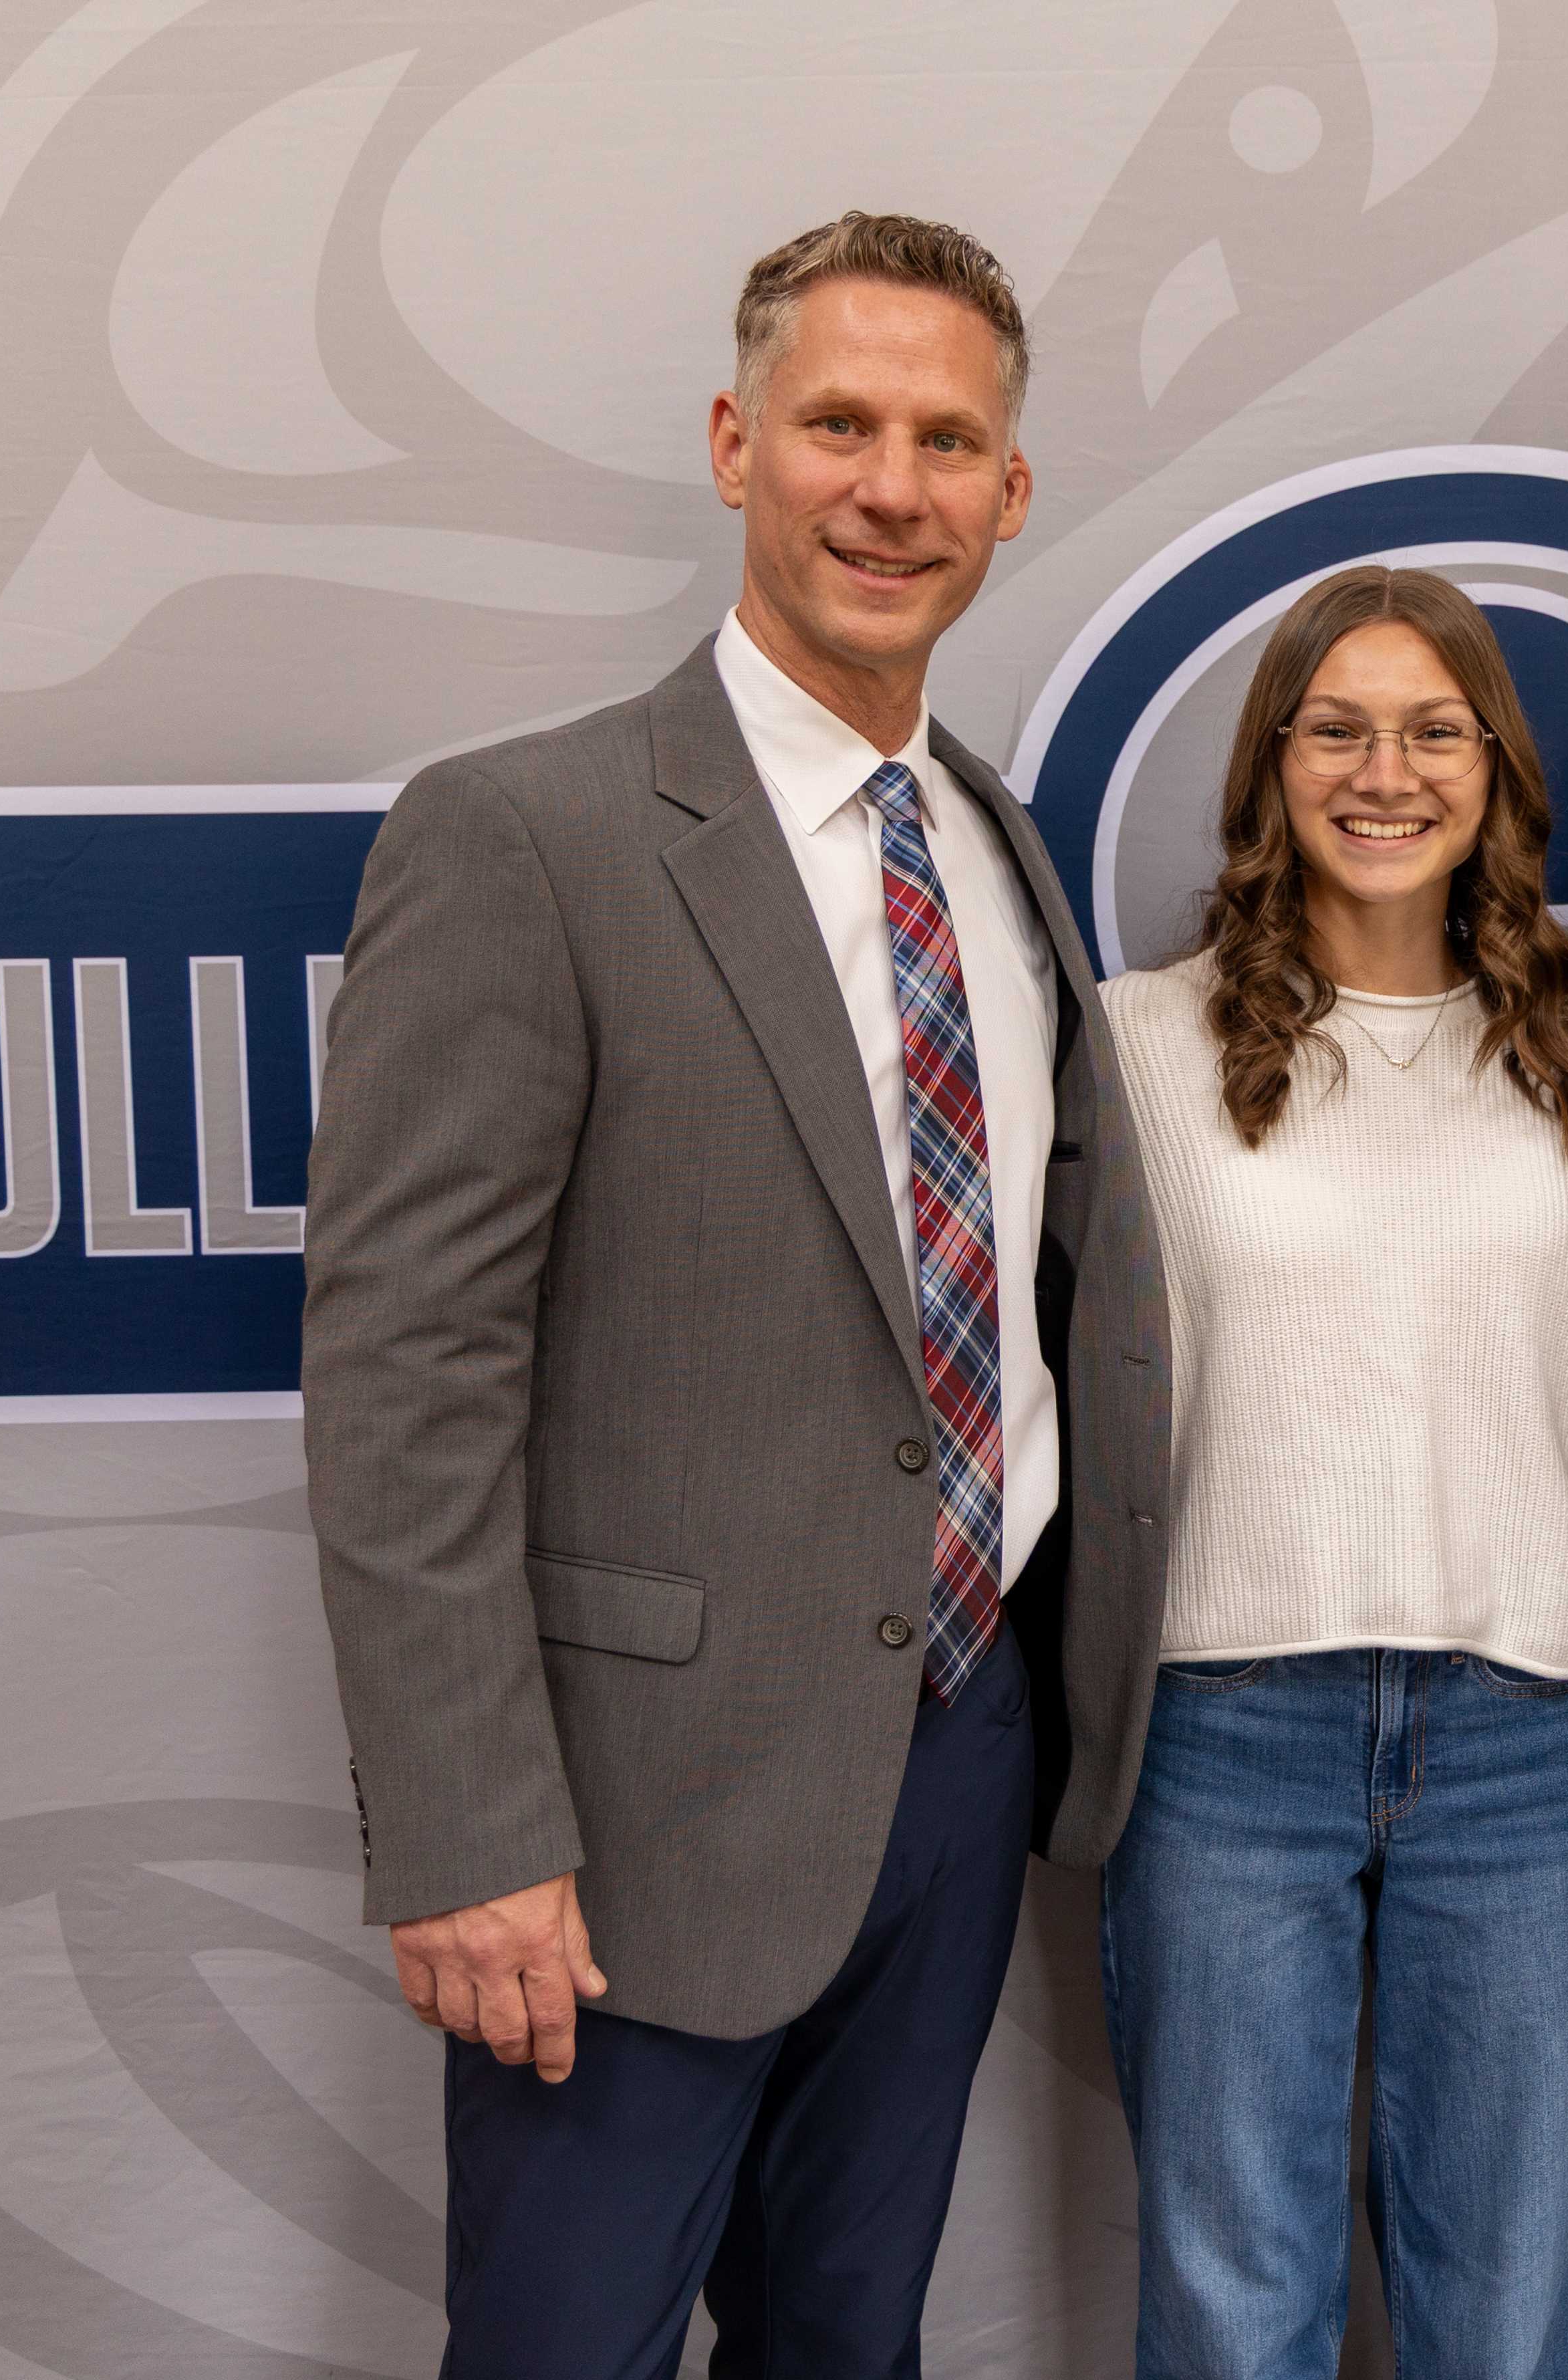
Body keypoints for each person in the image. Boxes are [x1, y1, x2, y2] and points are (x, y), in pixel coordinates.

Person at [301, 212, 1172, 2379]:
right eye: (837, 425)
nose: (892, 488)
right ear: (732, 444)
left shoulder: (996, 846)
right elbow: (408, 1376)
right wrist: (467, 1834)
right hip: (626, 1824)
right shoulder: (527, 837)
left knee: (847, 2346)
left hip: (953, 1760)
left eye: (946, 442)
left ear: (1011, 491)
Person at [1097, 566, 1568, 2379]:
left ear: (1494, 769)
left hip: (1526, 1736)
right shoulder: (1142, 1044)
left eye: (1431, 731)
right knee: (1232, 2306)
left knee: (1506, 2313)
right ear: (1272, 761)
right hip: (1223, 1728)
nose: (1383, 772)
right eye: (1335, 729)